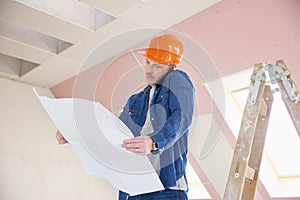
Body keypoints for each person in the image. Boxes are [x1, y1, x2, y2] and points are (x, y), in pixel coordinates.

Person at [56, 33, 195, 200]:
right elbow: (114, 133)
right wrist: (75, 134)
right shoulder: (135, 100)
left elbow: (182, 117)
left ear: (172, 67)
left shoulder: (178, 79)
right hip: (131, 189)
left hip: (165, 189)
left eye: (157, 66)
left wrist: (153, 141)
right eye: (148, 63)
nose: (149, 70)